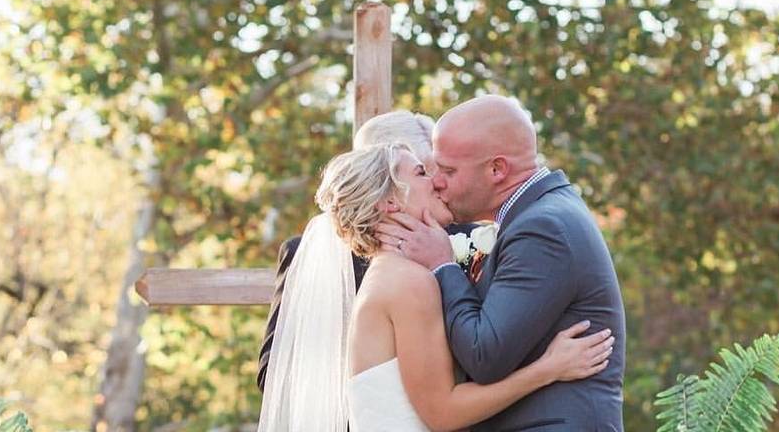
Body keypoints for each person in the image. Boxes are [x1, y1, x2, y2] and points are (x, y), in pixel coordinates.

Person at [258, 142, 614, 431]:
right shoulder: (407, 283)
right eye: (421, 172)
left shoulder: (393, 275)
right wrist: (547, 369)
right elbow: (443, 413)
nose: (437, 182)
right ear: (391, 201)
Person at [377, 95, 626, 431]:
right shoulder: (539, 214)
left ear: (497, 169)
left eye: (448, 170)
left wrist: (443, 266)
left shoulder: (543, 228)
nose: (437, 181)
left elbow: (485, 356)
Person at [256, 110, 473, 391]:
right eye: (422, 171)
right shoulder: (306, 253)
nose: (436, 183)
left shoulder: (466, 240)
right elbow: (272, 373)